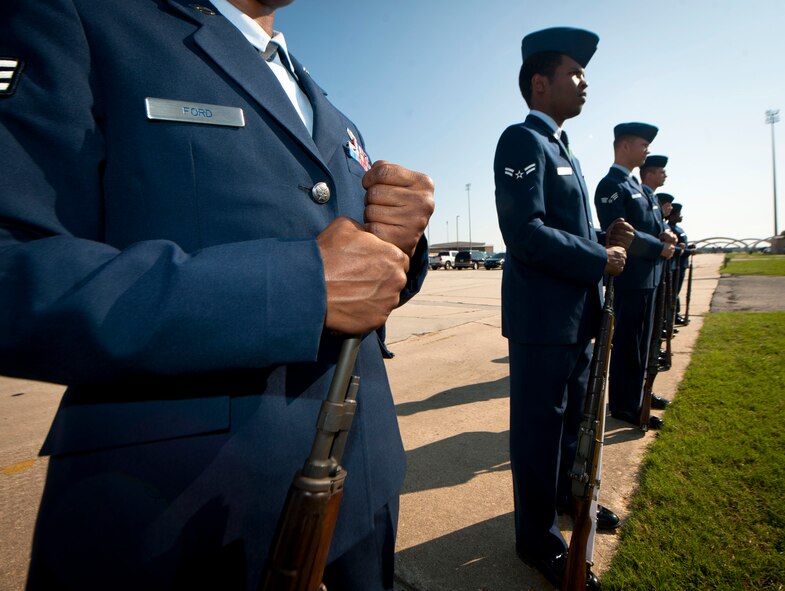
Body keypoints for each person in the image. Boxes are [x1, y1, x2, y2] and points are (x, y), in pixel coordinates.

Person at [0, 1, 434, 590]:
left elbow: (360, 273)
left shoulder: (329, 108)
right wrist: (297, 286)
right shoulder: (82, 18)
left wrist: (406, 245)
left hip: (364, 485)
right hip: (184, 513)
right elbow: (14, 270)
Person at [494, 27, 634, 590]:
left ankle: (571, 504)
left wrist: (604, 235)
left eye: (585, 74)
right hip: (542, 321)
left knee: (574, 426)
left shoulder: (563, 149)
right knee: (538, 435)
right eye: (574, 74)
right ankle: (536, 540)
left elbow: (567, 230)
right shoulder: (521, 141)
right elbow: (524, 233)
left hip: (576, 316)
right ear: (539, 83)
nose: (584, 83)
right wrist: (599, 255)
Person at [594, 124, 676, 429]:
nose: (647, 151)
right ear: (625, 146)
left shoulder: (639, 187)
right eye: (644, 145)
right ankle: (624, 404)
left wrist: (664, 235)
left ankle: (641, 393)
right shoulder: (612, 185)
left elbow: (650, 227)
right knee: (629, 344)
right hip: (630, 278)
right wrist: (659, 247)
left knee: (644, 341)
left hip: (649, 277)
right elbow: (621, 233)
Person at [668, 202, 690, 324]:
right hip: (675, 264)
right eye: (678, 214)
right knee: (673, 292)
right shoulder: (670, 228)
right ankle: (673, 316)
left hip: (682, 264)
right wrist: (687, 250)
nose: (680, 216)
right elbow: (676, 248)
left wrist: (689, 247)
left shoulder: (679, 229)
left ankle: (675, 314)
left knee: (676, 291)